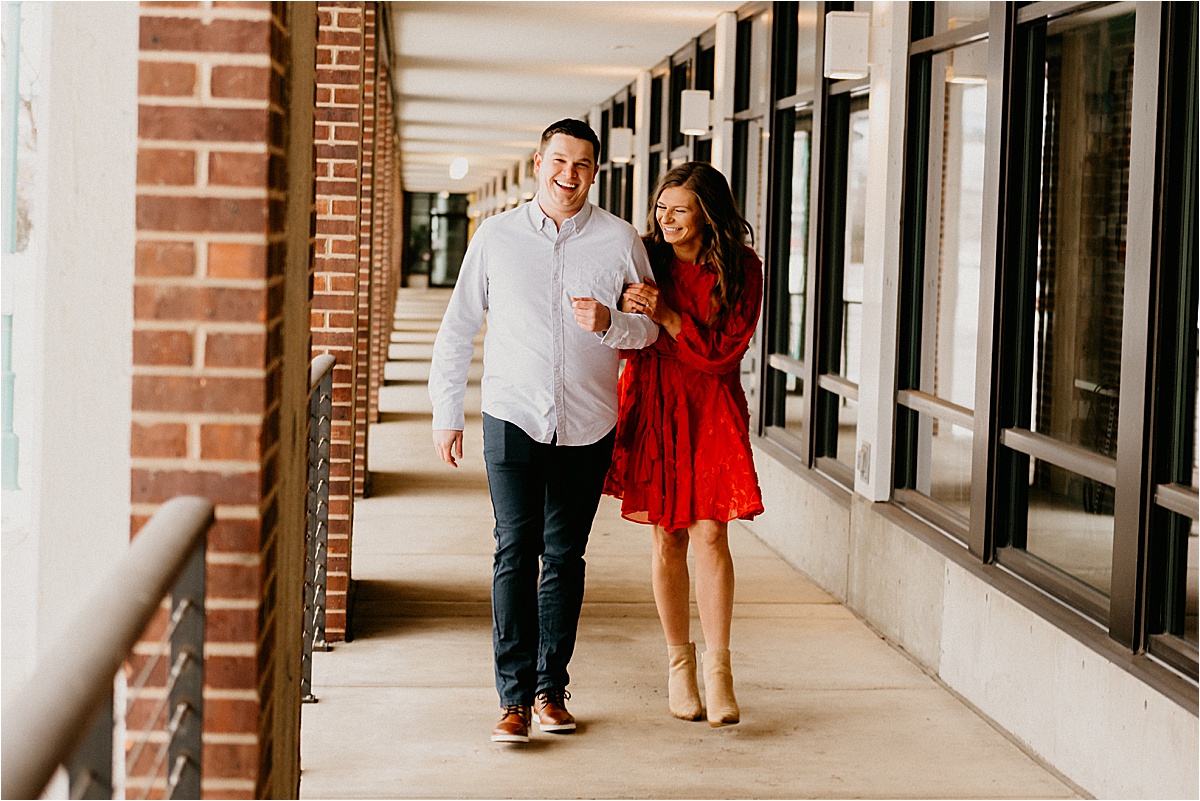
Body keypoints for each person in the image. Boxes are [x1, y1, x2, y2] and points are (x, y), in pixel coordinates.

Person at [428, 118, 659, 744]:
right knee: (514, 551)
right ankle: (512, 700)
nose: (570, 175)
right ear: (538, 162)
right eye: (560, 161)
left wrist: (611, 323)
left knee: (564, 558)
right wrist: (447, 413)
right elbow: (457, 330)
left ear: (595, 171)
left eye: (583, 165)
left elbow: (650, 328)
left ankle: (549, 688)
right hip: (512, 415)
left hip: (588, 422)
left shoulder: (619, 241)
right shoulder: (496, 237)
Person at [604, 161, 764, 727]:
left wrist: (670, 317)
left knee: (711, 533)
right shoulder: (645, 257)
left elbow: (724, 353)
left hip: (712, 404)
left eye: (679, 209)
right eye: (661, 208)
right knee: (668, 536)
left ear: (708, 214)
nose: (665, 219)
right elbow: (621, 331)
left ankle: (720, 671)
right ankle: (679, 666)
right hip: (656, 400)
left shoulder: (743, 268)